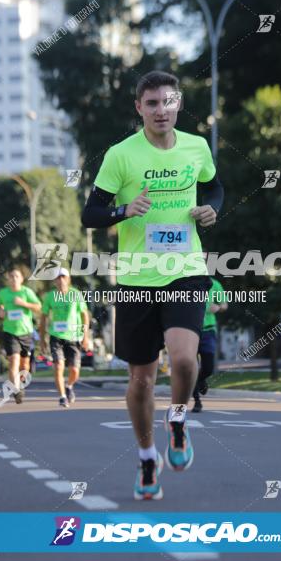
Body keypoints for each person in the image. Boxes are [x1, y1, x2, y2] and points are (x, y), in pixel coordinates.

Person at [81, 70, 223, 500]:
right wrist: (124, 210)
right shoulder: (121, 155)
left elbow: (214, 188)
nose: (161, 110)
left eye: (168, 101)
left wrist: (211, 210)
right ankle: (147, 457)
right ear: (138, 108)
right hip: (138, 277)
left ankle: (177, 420)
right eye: (152, 103)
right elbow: (91, 214)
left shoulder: (197, 147)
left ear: (178, 102)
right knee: (141, 380)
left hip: (186, 269)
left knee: (184, 361)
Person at [39, 268, 90, 408]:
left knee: (74, 370)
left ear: (68, 279)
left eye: (63, 277)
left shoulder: (76, 294)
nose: (61, 280)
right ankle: (62, 397)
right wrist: (42, 339)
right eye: (58, 278)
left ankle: (69, 386)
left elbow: (85, 315)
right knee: (58, 367)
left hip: (74, 337)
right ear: (55, 281)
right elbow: (43, 318)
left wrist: (86, 336)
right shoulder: (49, 297)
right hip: (56, 336)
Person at [0, 269, 41, 404]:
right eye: (11, 276)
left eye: (17, 276)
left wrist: (24, 304)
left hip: (26, 332)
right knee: (14, 361)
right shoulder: (4, 293)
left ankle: (20, 384)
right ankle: (16, 390)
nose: (14, 278)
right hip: (10, 331)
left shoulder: (26, 292)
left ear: (21, 279)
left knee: (25, 365)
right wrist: (0, 312)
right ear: (9, 279)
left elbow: (38, 307)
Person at [192, 277, 228, 413]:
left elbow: (225, 305)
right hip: (190, 330)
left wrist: (217, 307)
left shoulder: (214, 284)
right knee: (192, 367)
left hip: (208, 330)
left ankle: (201, 380)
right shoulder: (185, 282)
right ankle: (197, 401)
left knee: (208, 367)